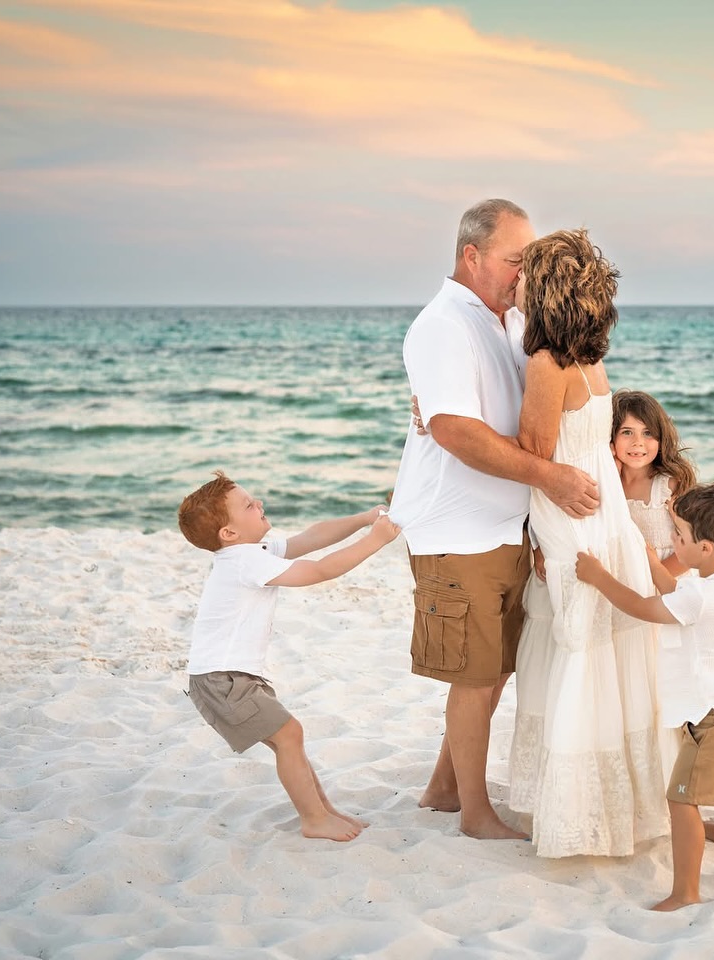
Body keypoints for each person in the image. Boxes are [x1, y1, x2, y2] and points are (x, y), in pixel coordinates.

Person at [389, 199, 600, 841]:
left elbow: (519, 411)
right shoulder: (443, 325)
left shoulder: (507, 322)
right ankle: (476, 816)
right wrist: (552, 478)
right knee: (475, 677)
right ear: (471, 256)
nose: (525, 274)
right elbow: (454, 429)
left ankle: (445, 789)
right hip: (458, 532)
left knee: (496, 668)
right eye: (516, 260)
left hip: (507, 528)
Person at [508, 229, 669, 858]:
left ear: (542, 289)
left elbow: (534, 453)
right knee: (604, 661)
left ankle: (578, 816)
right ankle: (619, 806)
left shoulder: (547, 363)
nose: (516, 280)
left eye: (525, 273)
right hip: (604, 520)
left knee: (576, 660)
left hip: (573, 521)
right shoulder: (590, 359)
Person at [178, 470, 400, 842]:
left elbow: (312, 538)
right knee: (289, 736)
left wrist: (364, 519)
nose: (259, 503)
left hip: (230, 677)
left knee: (288, 738)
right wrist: (374, 541)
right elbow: (318, 570)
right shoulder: (245, 562)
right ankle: (314, 819)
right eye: (249, 505)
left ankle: (323, 811)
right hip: (223, 679)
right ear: (228, 534)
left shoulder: (252, 552)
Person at [575, 478, 714, 910]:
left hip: (712, 716)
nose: (673, 541)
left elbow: (645, 609)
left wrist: (600, 577)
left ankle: (686, 892)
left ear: (706, 548)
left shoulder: (699, 595)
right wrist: (650, 561)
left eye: (679, 536)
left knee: (682, 798)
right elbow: (676, 591)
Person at [612, 389, 697, 578]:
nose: (638, 442)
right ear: (611, 438)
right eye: (627, 432)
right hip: (622, 581)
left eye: (648, 433)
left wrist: (652, 580)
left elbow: (693, 548)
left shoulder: (670, 485)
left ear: (661, 437)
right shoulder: (609, 482)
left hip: (666, 581)